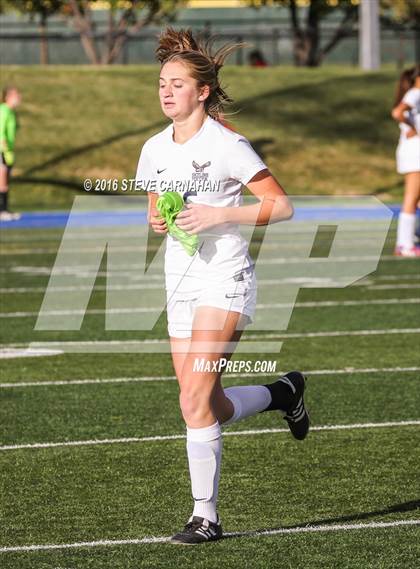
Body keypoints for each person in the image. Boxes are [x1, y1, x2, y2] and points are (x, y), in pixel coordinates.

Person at [135, 27, 309, 545]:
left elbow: (282, 206)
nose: (166, 92)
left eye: (177, 84)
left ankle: (205, 516)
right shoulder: (152, 148)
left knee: (193, 397)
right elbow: (153, 208)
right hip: (179, 281)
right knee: (203, 404)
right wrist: (159, 220)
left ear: (202, 91)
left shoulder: (229, 145)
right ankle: (284, 393)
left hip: (225, 279)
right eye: (162, 83)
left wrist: (218, 214)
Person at [391, 65, 420, 257]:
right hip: (415, 152)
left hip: (412, 151)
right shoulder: (416, 92)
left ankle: (409, 239)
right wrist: (411, 126)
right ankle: (404, 244)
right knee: (411, 197)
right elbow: (397, 112)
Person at [0, 86, 21, 221]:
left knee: (5, 181)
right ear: (7, 97)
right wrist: (3, 144)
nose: (19, 97)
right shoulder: (3, 111)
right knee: (2, 181)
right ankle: (2, 211)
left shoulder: (12, 112)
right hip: (2, 151)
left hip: (8, 152)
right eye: (15, 95)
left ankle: (5, 210)